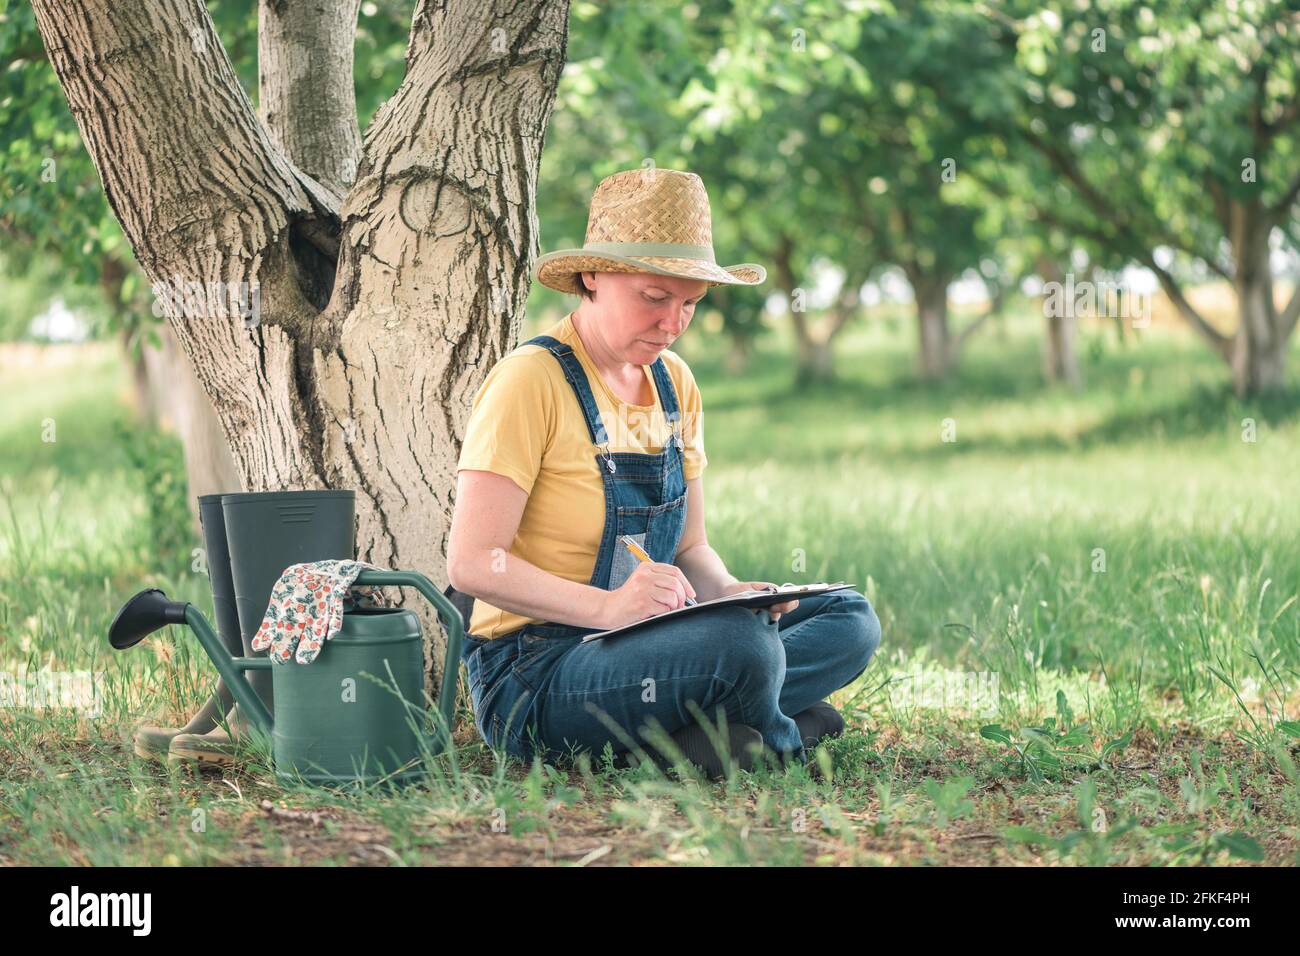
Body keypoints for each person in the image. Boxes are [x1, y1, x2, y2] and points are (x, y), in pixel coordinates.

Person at [446, 167, 881, 778]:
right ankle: (777, 738)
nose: (673, 323)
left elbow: (689, 546)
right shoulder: (530, 381)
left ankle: (710, 734)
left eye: (690, 305)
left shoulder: (675, 383)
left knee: (849, 619)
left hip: (649, 645)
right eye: (654, 297)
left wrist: (727, 593)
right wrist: (608, 609)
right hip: (537, 670)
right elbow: (472, 564)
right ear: (592, 276)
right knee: (744, 649)